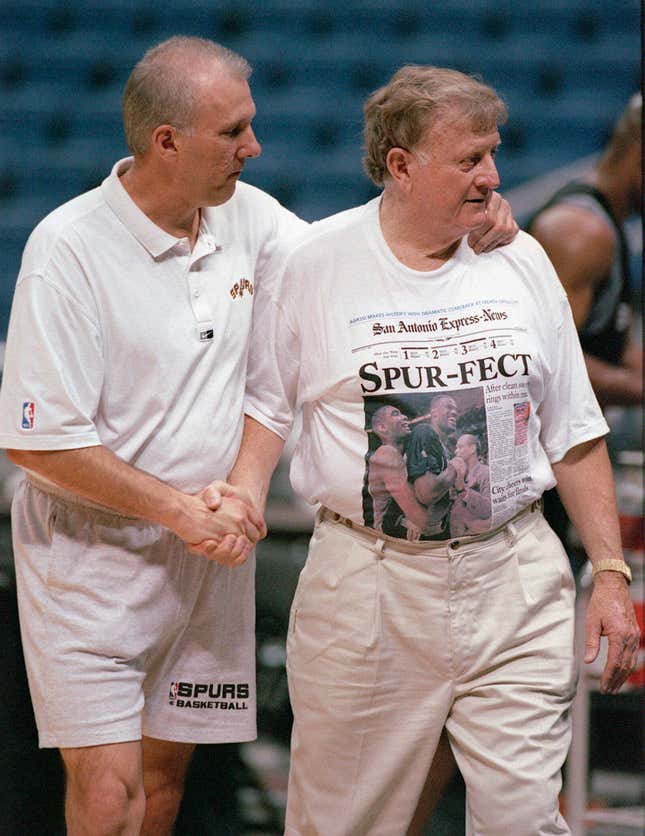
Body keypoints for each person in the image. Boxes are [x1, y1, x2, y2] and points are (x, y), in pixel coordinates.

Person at [0, 39, 519, 834]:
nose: (255, 147)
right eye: (234, 131)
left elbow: (352, 251)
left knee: (167, 783)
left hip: (210, 548)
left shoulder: (248, 216)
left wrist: (465, 210)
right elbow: (39, 444)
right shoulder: (65, 251)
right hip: (90, 558)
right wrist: (178, 509)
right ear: (167, 141)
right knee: (109, 794)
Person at [222, 65, 639, 835]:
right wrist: (246, 491)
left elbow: (575, 431)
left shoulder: (520, 257)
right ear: (400, 165)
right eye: (468, 159)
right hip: (369, 589)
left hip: (513, 575)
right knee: (345, 824)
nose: (492, 176)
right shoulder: (314, 263)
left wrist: (609, 575)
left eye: (492, 154)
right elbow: (265, 402)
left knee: (524, 822)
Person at [527, 93, 643, 554]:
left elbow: (602, 342)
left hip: (563, 461)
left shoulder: (607, 226)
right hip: (539, 473)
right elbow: (552, 364)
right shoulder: (580, 232)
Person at [405, 394, 466, 539]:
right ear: (434, 413)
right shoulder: (424, 431)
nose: (454, 412)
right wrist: (454, 467)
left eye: (456, 409)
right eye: (449, 407)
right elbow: (427, 494)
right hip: (415, 536)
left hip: (437, 531)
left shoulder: (446, 449)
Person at [365, 404, 427, 538]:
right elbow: (418, 517)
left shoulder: (402, 456)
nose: (404, 416)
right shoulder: (387, 453)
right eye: (395, 414)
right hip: (388, 538)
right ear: (382, 427)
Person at [449, 432, 491, 536]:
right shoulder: (456, 474)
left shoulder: (485, 473)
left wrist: (464, 491)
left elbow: (488, 510)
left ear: (473, 449)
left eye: (460, 447)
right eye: (456, 448)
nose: (455, 451)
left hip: (475, 538)